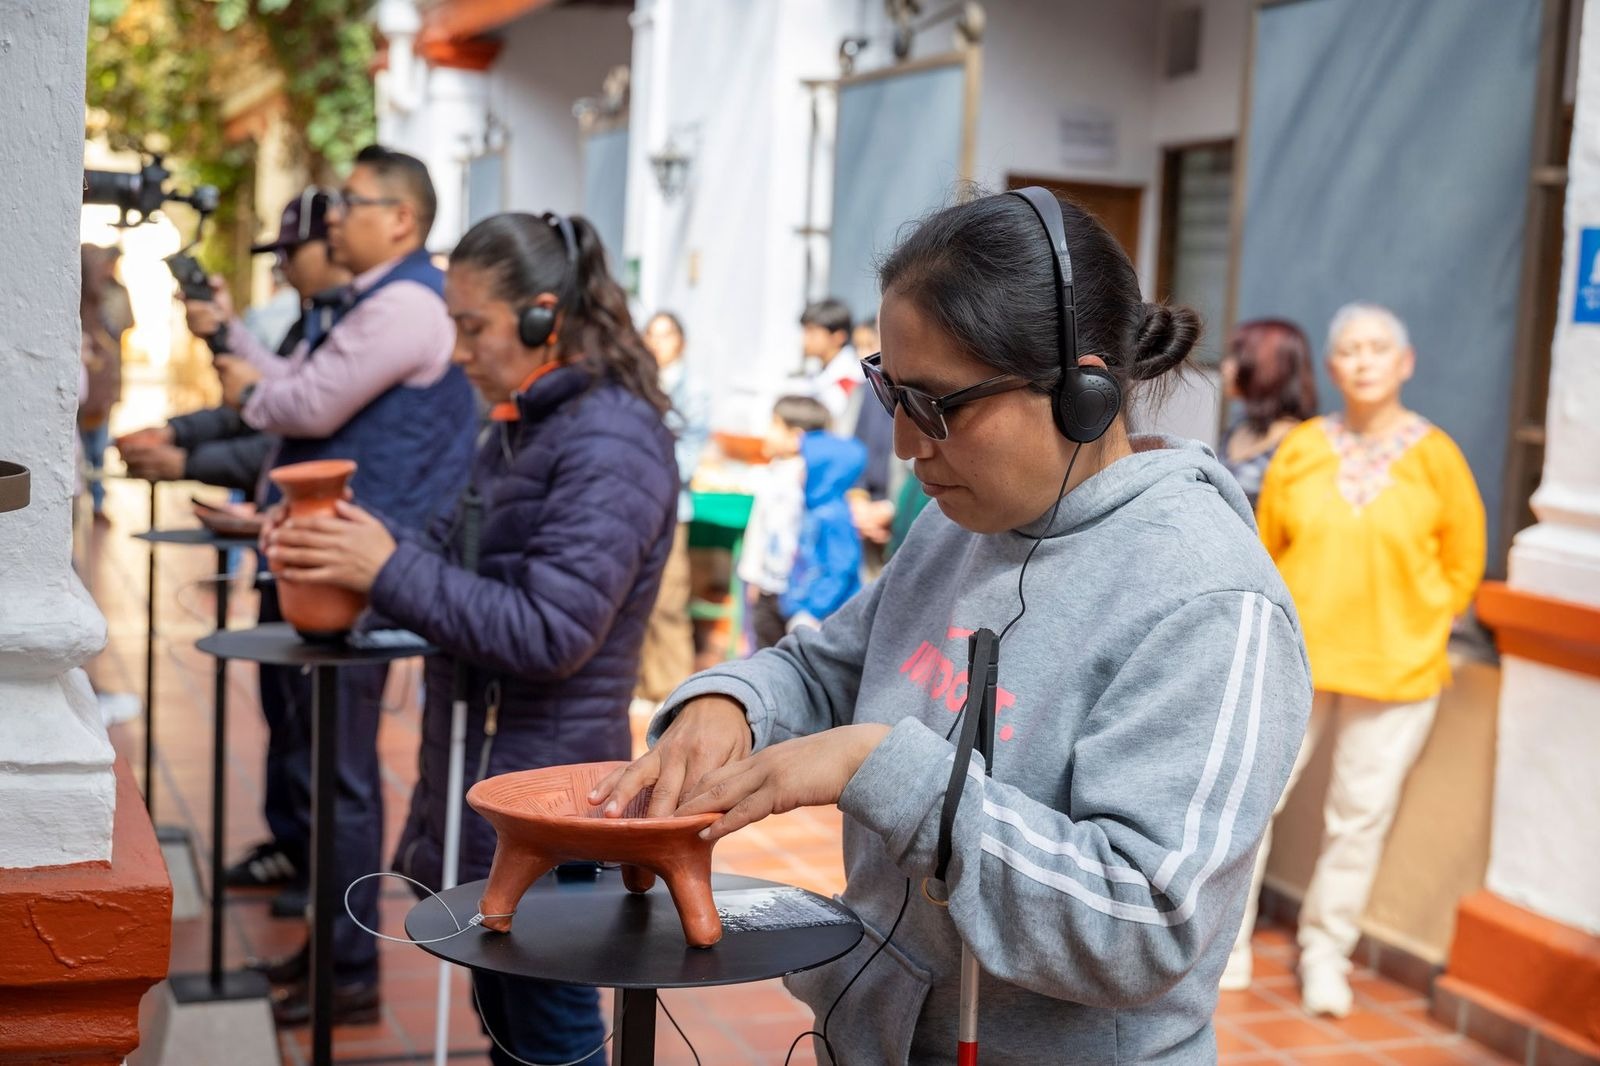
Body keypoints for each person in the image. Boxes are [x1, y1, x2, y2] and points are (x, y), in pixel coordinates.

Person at [591, 188, 1312, 1064]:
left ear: (1082, 391)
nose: (903, 442)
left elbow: (1145, 926)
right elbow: (826, 670)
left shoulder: (1210, 601)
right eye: (891, 390)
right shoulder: (955, 522)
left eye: (937, 404)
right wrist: (732, 704)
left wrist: (879, 767)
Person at [264, 210, 679, 1065]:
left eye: (471, 326)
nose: (456, 351)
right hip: (501, 782)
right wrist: (346, 549)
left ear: (543, 317)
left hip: (556, 802)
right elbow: (441, 556)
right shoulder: (522, 425)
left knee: (549, 1032)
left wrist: (381, 570)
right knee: (511, 1028)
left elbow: (551, 632)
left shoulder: (609, 439)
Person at [186, 146, 478, 1025]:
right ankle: (332, 954)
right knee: (325, 764)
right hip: (334, 560)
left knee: (343, 774)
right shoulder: (373, 302)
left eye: (350, 202)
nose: (333, 218)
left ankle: (348, 970)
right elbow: (301, 390)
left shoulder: (401, 306)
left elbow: (307, 404)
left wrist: (251, 397)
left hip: (364, 566)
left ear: (402, 218)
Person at [1244, 303, 1485, 1015]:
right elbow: (1268, 546)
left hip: (1398, 666)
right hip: (1297, 658)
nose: (1365, 360)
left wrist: (1427, 620)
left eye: (1379, 348)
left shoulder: (1437, 456)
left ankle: (1326, 952)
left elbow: (1463, 558)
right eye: (1350, 349)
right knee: (1256, 800)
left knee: (1359, 819)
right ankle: (1221, 942)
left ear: (1405, 363)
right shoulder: (1304, 448)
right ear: (1331, 366)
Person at [120, 189, 351, 495]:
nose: (284, 266)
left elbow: (296, 422)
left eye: (291, 252)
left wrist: (188, 461)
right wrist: (177, 432)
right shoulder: (314, 317)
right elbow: (269, 400)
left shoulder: (356, 320)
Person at [635, 310, 709, 705]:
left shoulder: (692, 388)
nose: (656, 342)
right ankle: (643, 682)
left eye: (664, 335)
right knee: (638, 597)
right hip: (636, 504)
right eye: (651, 334)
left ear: (680, 340)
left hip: (669, 505)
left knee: (668, 599)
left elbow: (690, 453)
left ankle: (673, 691)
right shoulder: (639, 381)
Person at [737, 396, 835, 649]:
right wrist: (754, 578)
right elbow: (759, 529)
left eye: (774, 425)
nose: (767, 433)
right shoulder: (773, 472)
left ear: (796, 437)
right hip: (767, 588)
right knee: (763, 649)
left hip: (796, 592)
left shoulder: (811, 480)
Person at [1218, 318, 1318, 509]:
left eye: (1236, 356)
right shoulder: (1238, 426)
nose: (1226, 366)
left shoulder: (1300, 442)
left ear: (1266, 367)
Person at [78, 244, 126, 522]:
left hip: (100, 387)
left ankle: (97, 501)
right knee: (85, 448)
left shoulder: (112, 295)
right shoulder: (86, 302)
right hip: (90, 387)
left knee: (97, 449)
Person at [801, 297, 862, 429]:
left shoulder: (852, 378)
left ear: (838, 337)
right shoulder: (818, 373)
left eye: (812, 332)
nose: (804, 339)